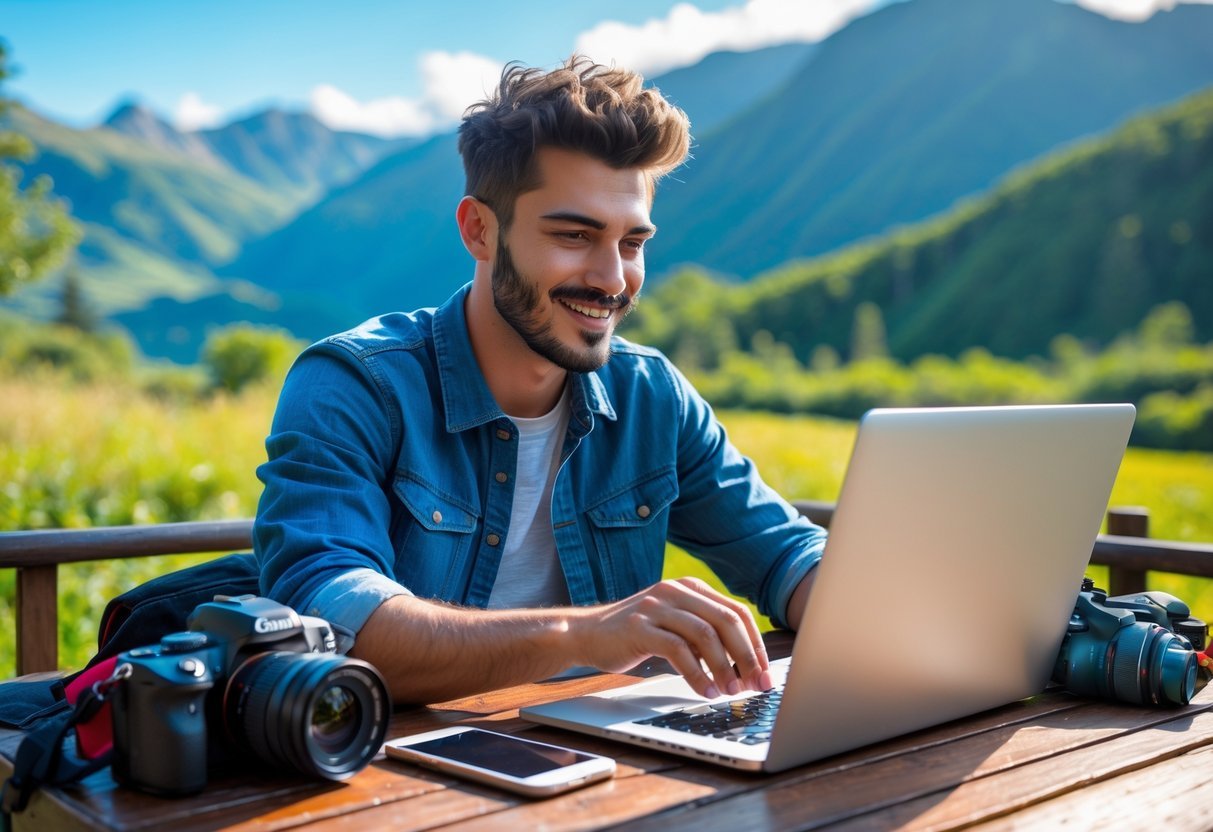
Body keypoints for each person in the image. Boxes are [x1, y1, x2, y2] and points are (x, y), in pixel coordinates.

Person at [254, 56, 827, 705]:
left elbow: (786, 554)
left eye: (632, 243)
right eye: (575, 235)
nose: (612, 278)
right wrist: (580, 635)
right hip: (400, 776)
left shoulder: (652, 398)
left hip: (622, 766)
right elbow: (336, 629)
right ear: (479, 230)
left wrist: (881, 599)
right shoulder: (353, 387)